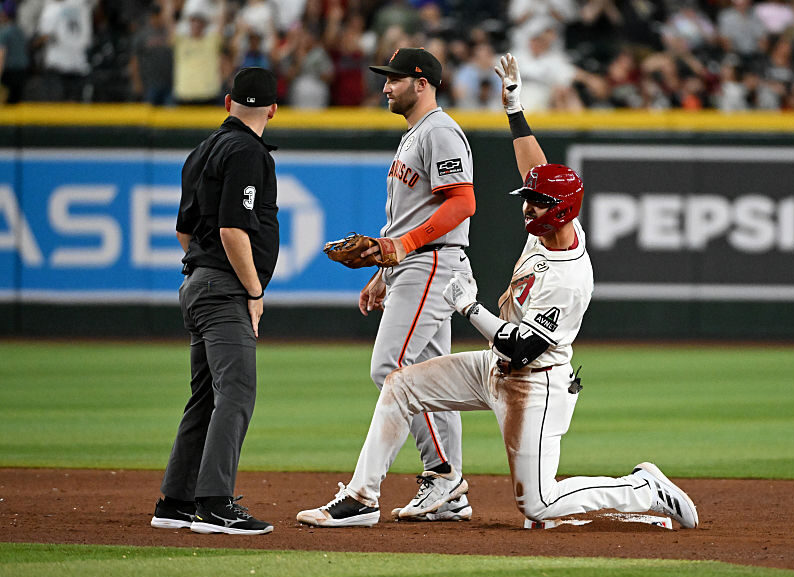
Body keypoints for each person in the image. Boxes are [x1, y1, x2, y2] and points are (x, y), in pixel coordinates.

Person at [295, 53, 699, 531]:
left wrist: (468, 305)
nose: (527, 209)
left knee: (539, 507)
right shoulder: (548, 226)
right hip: (492, 366)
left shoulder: (568, 278)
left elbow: (521, 347)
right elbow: (537, 171)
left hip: (535, 381)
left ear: (560, 213)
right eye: (528, 202)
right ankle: (363, 497)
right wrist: (515, 109)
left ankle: (642, 488)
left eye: (535, 205)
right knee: (400, 384)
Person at [346, 47, 477, 522]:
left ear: (422, 83)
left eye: (395, 79)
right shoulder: (415, 134)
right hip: (413, 265)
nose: (385, 86)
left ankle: (443, 474)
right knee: (430, 376)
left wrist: (403, 249)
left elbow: (463, 203)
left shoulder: (440, 130)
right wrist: (384, 271)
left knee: (391, 370)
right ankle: (450, 492)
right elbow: (409, 216)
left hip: (432, 264)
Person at [150, 67, 281, 536]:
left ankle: (176, 502)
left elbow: (185, 230)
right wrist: (253, 290)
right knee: (237, 391)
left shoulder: (201, 150)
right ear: (273, 108)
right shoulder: (248, 151)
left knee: (205, 396)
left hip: (199, 285)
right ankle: (214, 503)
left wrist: (205, 273)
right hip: (224, 290)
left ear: (227, 102)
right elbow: (232, 229)